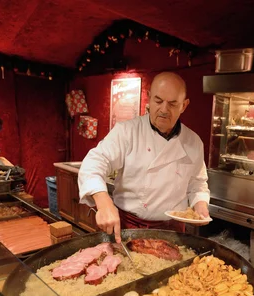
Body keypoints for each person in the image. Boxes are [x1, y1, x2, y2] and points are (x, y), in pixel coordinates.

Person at [78, 72, 210, 242]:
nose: (163, 109)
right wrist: (103, 202)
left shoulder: (194, 142)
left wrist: (200, 205)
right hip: (127, 226)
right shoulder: (127, 131)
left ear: (184, 105)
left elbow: (198, 184)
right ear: (148, 98)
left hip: (172, 231)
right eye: (158, 101)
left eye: (172, 103)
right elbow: (94, 162)